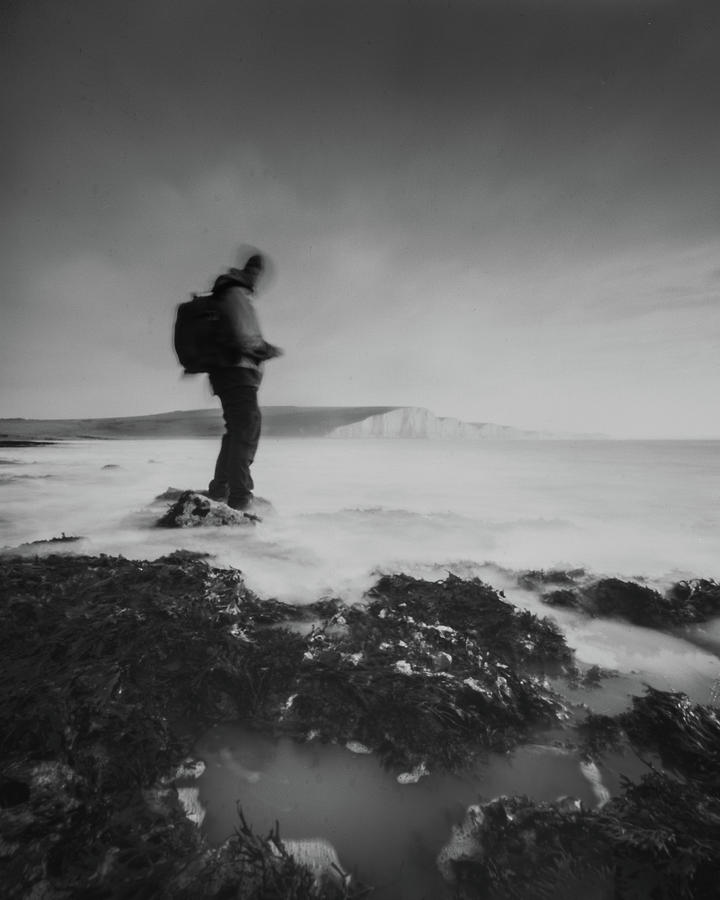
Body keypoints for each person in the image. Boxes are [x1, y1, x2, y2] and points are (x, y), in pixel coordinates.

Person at [206, 251, 282, 511]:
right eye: (256, 273)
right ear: (250, 272)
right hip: (237, 372)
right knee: (247, 429)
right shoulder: (236, 294)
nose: (257, 278)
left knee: (236, 430)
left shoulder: (228, 292)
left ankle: (220, 488)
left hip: (226, 373)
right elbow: (246, 337)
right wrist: (267, 349)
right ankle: (240, 497)